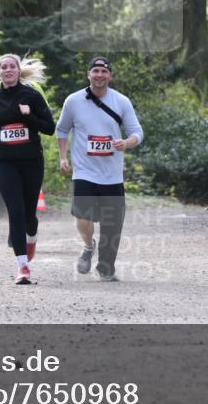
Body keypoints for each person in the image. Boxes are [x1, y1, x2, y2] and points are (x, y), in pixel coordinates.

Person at [56, 56, 143, 281]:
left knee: (112, 225)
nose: (99, 75)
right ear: (88, 75)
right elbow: (63, 130)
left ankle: (106, 269)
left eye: (104, 72)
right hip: (84, 171)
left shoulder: (121, 101)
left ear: (110, 76)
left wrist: (126, 143)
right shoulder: (73, 101)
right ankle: (88, 246)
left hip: (112, 175)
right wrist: (63, 157)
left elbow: (137, 133)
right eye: (95, 71)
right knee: (82, 215)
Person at [0, 54, 55, 285]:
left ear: (18, 70)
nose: (8, 70)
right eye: (3, 67)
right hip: (4, 161)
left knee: (29, 215)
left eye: (12, 66)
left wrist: (29, 116)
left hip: (31, 160)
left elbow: (49, 128)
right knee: (15, 211)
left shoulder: (31, 95)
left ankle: (31, 235)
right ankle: (23, 266)